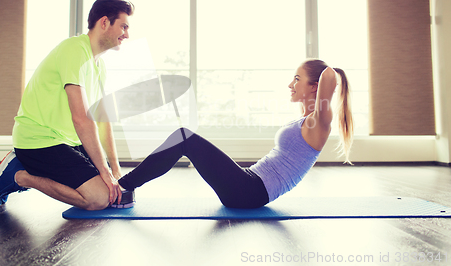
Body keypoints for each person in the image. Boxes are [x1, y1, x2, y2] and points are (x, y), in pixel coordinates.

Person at [116, 59, 353, 209]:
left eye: (297, 79)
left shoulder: (320, 122)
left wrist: (328, 69)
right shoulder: (306, 120)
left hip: (250, 192)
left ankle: (123, 188)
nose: (290, 84)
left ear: (315, 86)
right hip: (248, 184)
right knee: (184, 138)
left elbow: (330, 75)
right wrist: (310, 79)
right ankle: (125, 187)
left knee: (184, 138)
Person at [0, 0, 135, 211]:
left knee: (110, 188)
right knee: (99, 198)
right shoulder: (74, 49)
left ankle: (30, 171)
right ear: (104, 22)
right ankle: (19, 175)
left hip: (67, 142)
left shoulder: (99, 67)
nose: (127, 34)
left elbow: (103, 121)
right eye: (124, 26)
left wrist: (115, 170)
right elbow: (81, 118)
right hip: (39, 140)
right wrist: (104, 171)